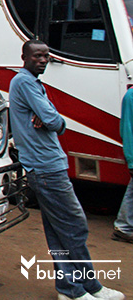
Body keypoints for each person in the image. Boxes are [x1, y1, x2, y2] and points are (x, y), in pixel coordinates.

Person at [9, 39, 124, 300]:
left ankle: (72, 288)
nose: (43, 60)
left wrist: (50, 117)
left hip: (43, 166)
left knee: (59, 231)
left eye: (46, 56)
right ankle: (85, 287)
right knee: (74, 226)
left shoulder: (29, 83)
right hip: (46, 167)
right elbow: (54, 121)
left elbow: (49, 118)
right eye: (37, 56)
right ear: (24, 57)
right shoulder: (26, 82)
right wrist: (54, 119)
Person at [113, 87, 133, 244]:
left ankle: (124, 226)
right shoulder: (131, 96)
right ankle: (124, 226)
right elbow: (127, 129)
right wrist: (131, 159)